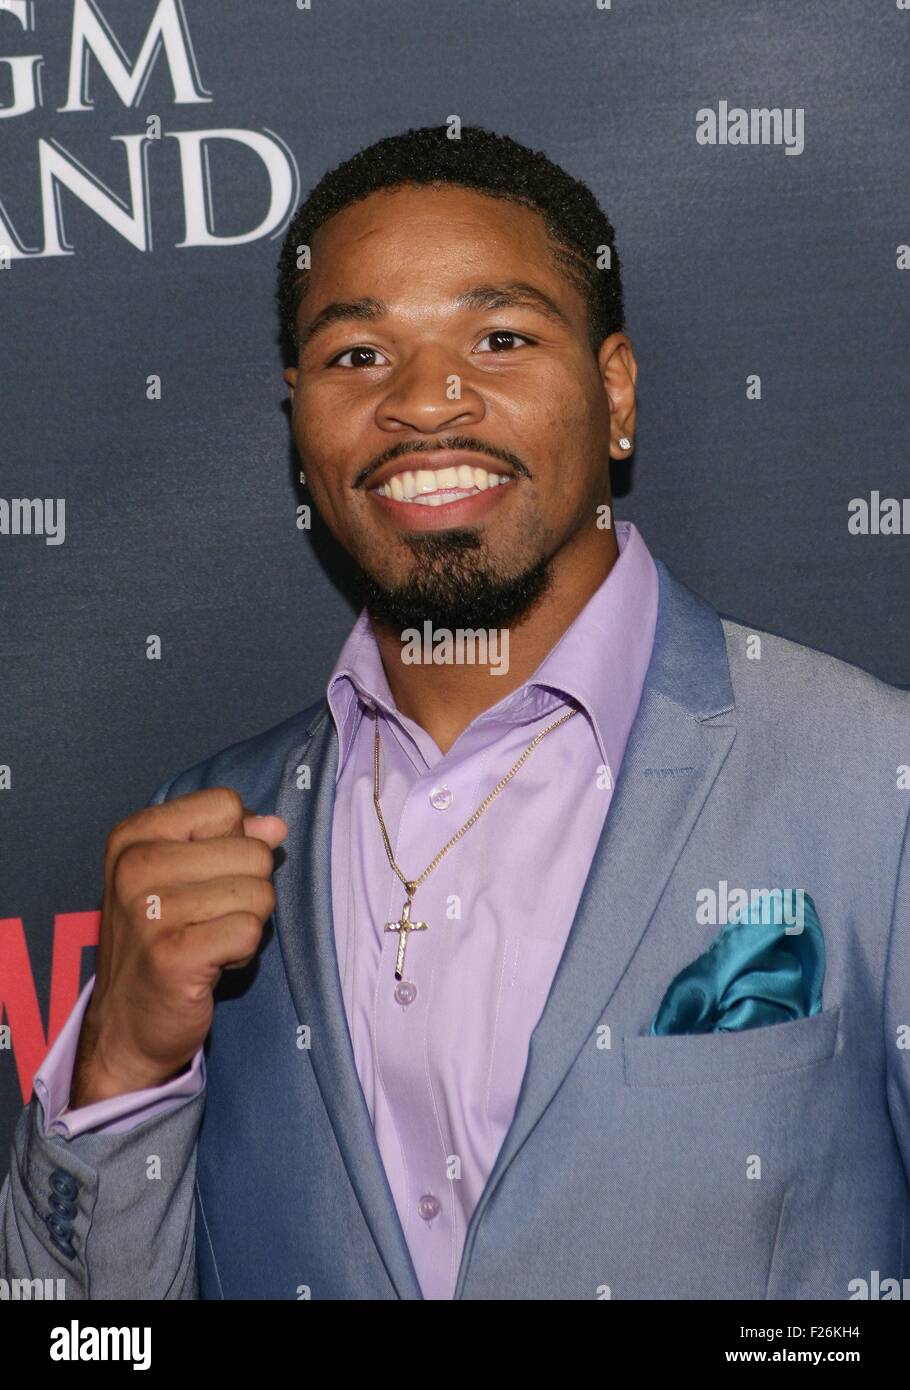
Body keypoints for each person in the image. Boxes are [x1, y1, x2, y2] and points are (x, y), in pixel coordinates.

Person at [2, 125, 908, 1301]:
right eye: (358, 354)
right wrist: (122, 1070)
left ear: (615, 389)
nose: (426, 401)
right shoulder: (208, 827)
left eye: (499, 337)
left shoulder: (867, 780)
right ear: (300, 424)